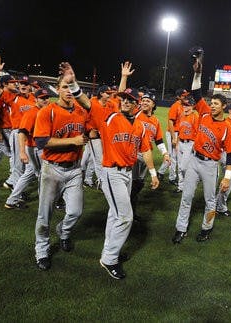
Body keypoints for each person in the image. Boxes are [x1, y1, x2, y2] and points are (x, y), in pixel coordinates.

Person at [33, 61, 92, 270]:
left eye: (71, 86)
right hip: (52, 169)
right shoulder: (47, 111)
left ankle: (64, 232)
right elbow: (41, 142)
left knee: (75, 212)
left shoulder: (81, 111)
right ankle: (42, 249)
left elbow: (92, 126)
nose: (68, 91)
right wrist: (72, 141)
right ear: (57, 89)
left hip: (75, 169)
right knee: (44, 214)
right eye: (64, 87)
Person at [172, 57, 231, 243]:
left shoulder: (227, 128)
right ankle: (180, 228)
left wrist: (227, 177)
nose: (212, 105)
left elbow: (230, 155)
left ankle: (206, 229)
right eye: (212, 103)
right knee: (187, 197)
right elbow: (196, 92)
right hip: (194, 160)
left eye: (216, 104)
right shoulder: (205, 113)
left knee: (209, 200)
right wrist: (197, 73)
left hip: (210, 165)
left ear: (224, 106)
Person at [98, 87, 159, 280]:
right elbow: (87, 103)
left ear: (136, 104)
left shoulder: (140, 125)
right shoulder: (111, 117)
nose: (125, 101)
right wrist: (74, 86)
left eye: (129, 100)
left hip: (127, 174)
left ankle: (110, 252)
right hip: (112, 172)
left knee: (114, 215)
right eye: (123, 98)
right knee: (125, 217)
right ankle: (109, 259)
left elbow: (146, 149)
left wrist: (153, 172)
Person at [0, 56, 36, 190]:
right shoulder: (12, 97)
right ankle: (16, 196)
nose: (23, 85)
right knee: (18, 165)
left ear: (30, 87)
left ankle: (12, 183)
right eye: (21, 83)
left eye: (26, 84)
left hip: (32, 135)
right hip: (18, 134)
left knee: (31, 164)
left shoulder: (34, 99)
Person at [4, 88, 50, 209]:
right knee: (42, 175)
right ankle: (44, 203)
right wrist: (22, 152)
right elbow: (22, 133)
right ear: (35, 99)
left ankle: (11, 200)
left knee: (29, 174)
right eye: (42, 98)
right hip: (34, 149)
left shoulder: (44, 111)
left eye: (47, 98)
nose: (45, 100)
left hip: (38, 149)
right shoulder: (32, 113)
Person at [131, 91, 170, 220]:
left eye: (148, 101)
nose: (144, 102)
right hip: (133, 154)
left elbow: (158, 140)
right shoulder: (135, 114)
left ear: (153, 104)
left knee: (139, 183)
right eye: (143, 100)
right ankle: (126, 212)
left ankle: (131, 211)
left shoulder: (156, 121)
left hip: (146, 156)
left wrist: (165, 153)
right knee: (131, 184)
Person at [157, 88, 190, 185]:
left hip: (179, 133)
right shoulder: (175, 106)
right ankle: (172, 177)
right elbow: (170, 122)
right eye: (183, 95)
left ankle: (161, 172)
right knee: (173, 156)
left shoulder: (183, 106)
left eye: (186, 95)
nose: (186, 97)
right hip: (173, 133)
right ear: (178, 97)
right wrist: (174, 137)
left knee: (173, 155)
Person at [175, 97, 198, 193]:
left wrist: (195, 146)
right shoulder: (181, 116)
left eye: (188, 105)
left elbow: (198, 133)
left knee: (184, 167)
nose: (186, 107)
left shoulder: (195, 117)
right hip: (180, 143)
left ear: (192, 106)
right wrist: (177, 143)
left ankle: (189, 183)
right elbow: (179, 131)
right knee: (179, 166)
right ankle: (181, 187)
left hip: (190, 144)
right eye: (184, 105)